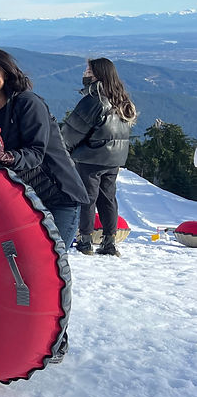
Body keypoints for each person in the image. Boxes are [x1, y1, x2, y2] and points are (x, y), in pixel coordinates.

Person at [0, 47, 88, 250]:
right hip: (31, 199)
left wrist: (3, 156)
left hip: (61, 198)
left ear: (5, 71)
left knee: (51, 266)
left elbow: (36, 154)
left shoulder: (28, 102)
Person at [60, 58, 136, 257]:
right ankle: (109, 242)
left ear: (97, 75)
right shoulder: (121, 99)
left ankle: (85, 241)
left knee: (87, 198)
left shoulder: (94, 100)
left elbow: (72, 131)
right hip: (114, 159)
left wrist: (60, 151)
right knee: (108, 198)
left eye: (88, 70)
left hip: (91, 157)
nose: (85, 73)